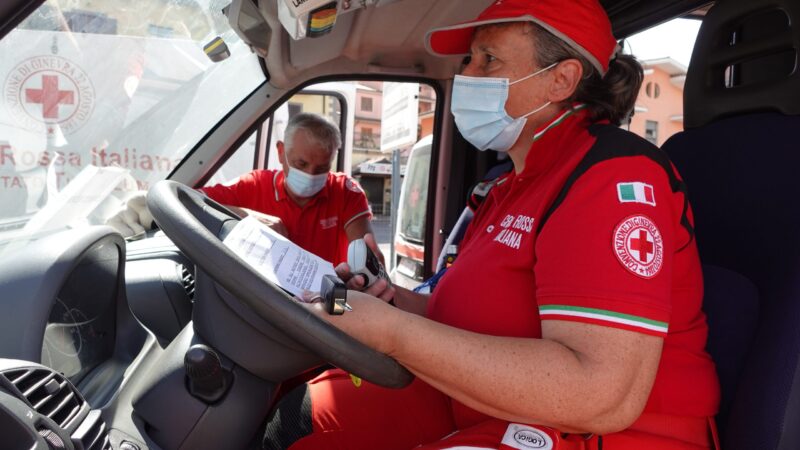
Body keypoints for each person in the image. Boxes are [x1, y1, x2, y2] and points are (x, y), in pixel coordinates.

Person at [264, 1, 720, 449]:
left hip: (600, 436)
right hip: (490, 407)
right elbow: (465, 315)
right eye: (469, 59)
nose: (467, 75)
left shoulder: (612, 176)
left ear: (561, 80)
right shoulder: (506, 186)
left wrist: (391, 332)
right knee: (298, 422)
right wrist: (388, 301)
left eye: (489, 59)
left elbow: (599, 395)